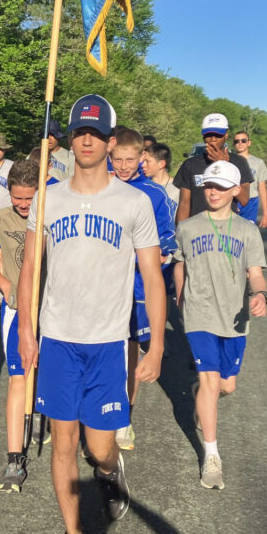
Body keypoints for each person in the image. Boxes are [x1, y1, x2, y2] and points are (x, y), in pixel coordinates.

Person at [18, 94, 165, 534]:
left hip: (107, 343)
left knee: (99, 447)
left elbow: (152, 276)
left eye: (96, 133)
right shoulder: (48, 197)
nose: (87, 140)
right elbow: (30, 267)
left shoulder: (133, 202)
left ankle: (108, 471)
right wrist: (26, 330)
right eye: (80, 132)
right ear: (70, 137)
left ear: (110, 140)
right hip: (59, 339)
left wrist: (157, 345)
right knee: (63, 441)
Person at [172, 160, 267, 490]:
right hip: (199, 314)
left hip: (234, 317)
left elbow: (256, 273)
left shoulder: (248, 230)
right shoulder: (188, 227)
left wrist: (260, 295)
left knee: (226, 386)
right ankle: (212, 456)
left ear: (236, 190)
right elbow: (180, 265)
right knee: (211, 381)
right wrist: (181, 298)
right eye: (209, 186)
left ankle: (200, 395)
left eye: (221, 187)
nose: (213, 192)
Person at [109, 128, 176, 451]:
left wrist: (161, 253)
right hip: (104, 285)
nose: (124, 166)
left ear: (142, 157)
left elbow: (167, 238)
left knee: (130, 349)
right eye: (118, 160)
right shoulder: (101, 187)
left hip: (137, 287)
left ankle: (124, 416)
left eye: (130, 159)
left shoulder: (154, 193)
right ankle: (96, 412)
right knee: (105, 350)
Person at [0, 159, 40, 492]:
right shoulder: (0, 218)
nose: (24, 204)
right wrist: (3, 284)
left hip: (51, 311)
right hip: (16, 310)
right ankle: (15, 458)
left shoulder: (51, 216)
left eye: (30, 198)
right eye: (18, 198)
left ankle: (42, 415)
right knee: (18, 376)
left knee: (47, 372)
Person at [173, 113, 253, 222]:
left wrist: (224, 164)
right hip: (197, 227)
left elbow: (244, 200)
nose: (213, 139)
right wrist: (181, 230)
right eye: (208, 135)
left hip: (228, 227)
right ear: (203, 137)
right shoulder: (190, 164)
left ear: (226, 135)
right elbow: (184, 203)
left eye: (218, 134)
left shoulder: (239, 162)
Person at [231, 131, 267, 228]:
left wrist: (266, 213)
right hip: (232, 201)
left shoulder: (258, 162)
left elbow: (262, 188)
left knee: (247, 232)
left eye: (243, 140)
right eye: (237, 141)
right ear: (233, 144)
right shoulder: (229, 161)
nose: (240, 143)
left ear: (249, 143)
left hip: (251, 202)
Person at [141, 142, 179, 208]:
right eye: (143, 161)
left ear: (161, 164)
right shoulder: (142, 186)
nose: (143, 165)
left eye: (147, 161)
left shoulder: (178, 189)